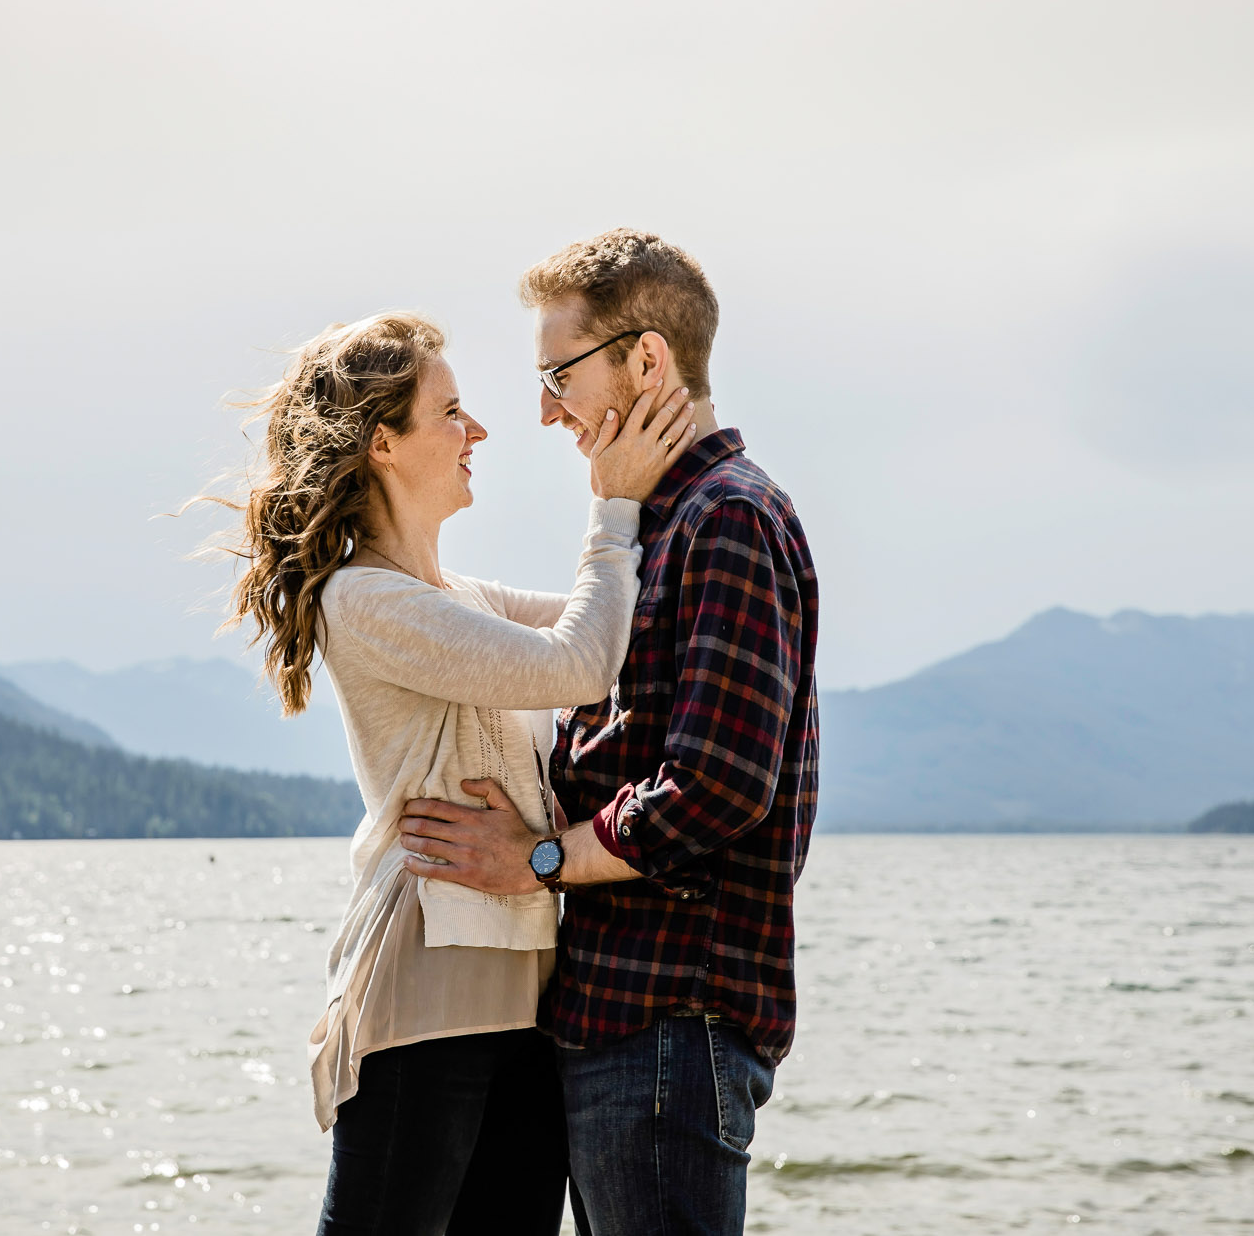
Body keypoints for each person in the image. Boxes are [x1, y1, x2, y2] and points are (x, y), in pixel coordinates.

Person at [209, 310, 696, 1235]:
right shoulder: (365, 599)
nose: (477, 433)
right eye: (452, 412)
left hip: (529, 995)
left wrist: (688, 512)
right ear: (384, 443)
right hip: (425, 991)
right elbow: (577, 663)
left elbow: (628, 633)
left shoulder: (462, 600)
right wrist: (612, 501)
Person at [398, 229, 820, 1236]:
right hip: (631, 1031)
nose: (546, 410)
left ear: (645, 360)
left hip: (669, 1027)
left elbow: (715, 785)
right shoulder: (664, 525)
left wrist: (535, 859)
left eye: (559, 375)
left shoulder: (725, 518)